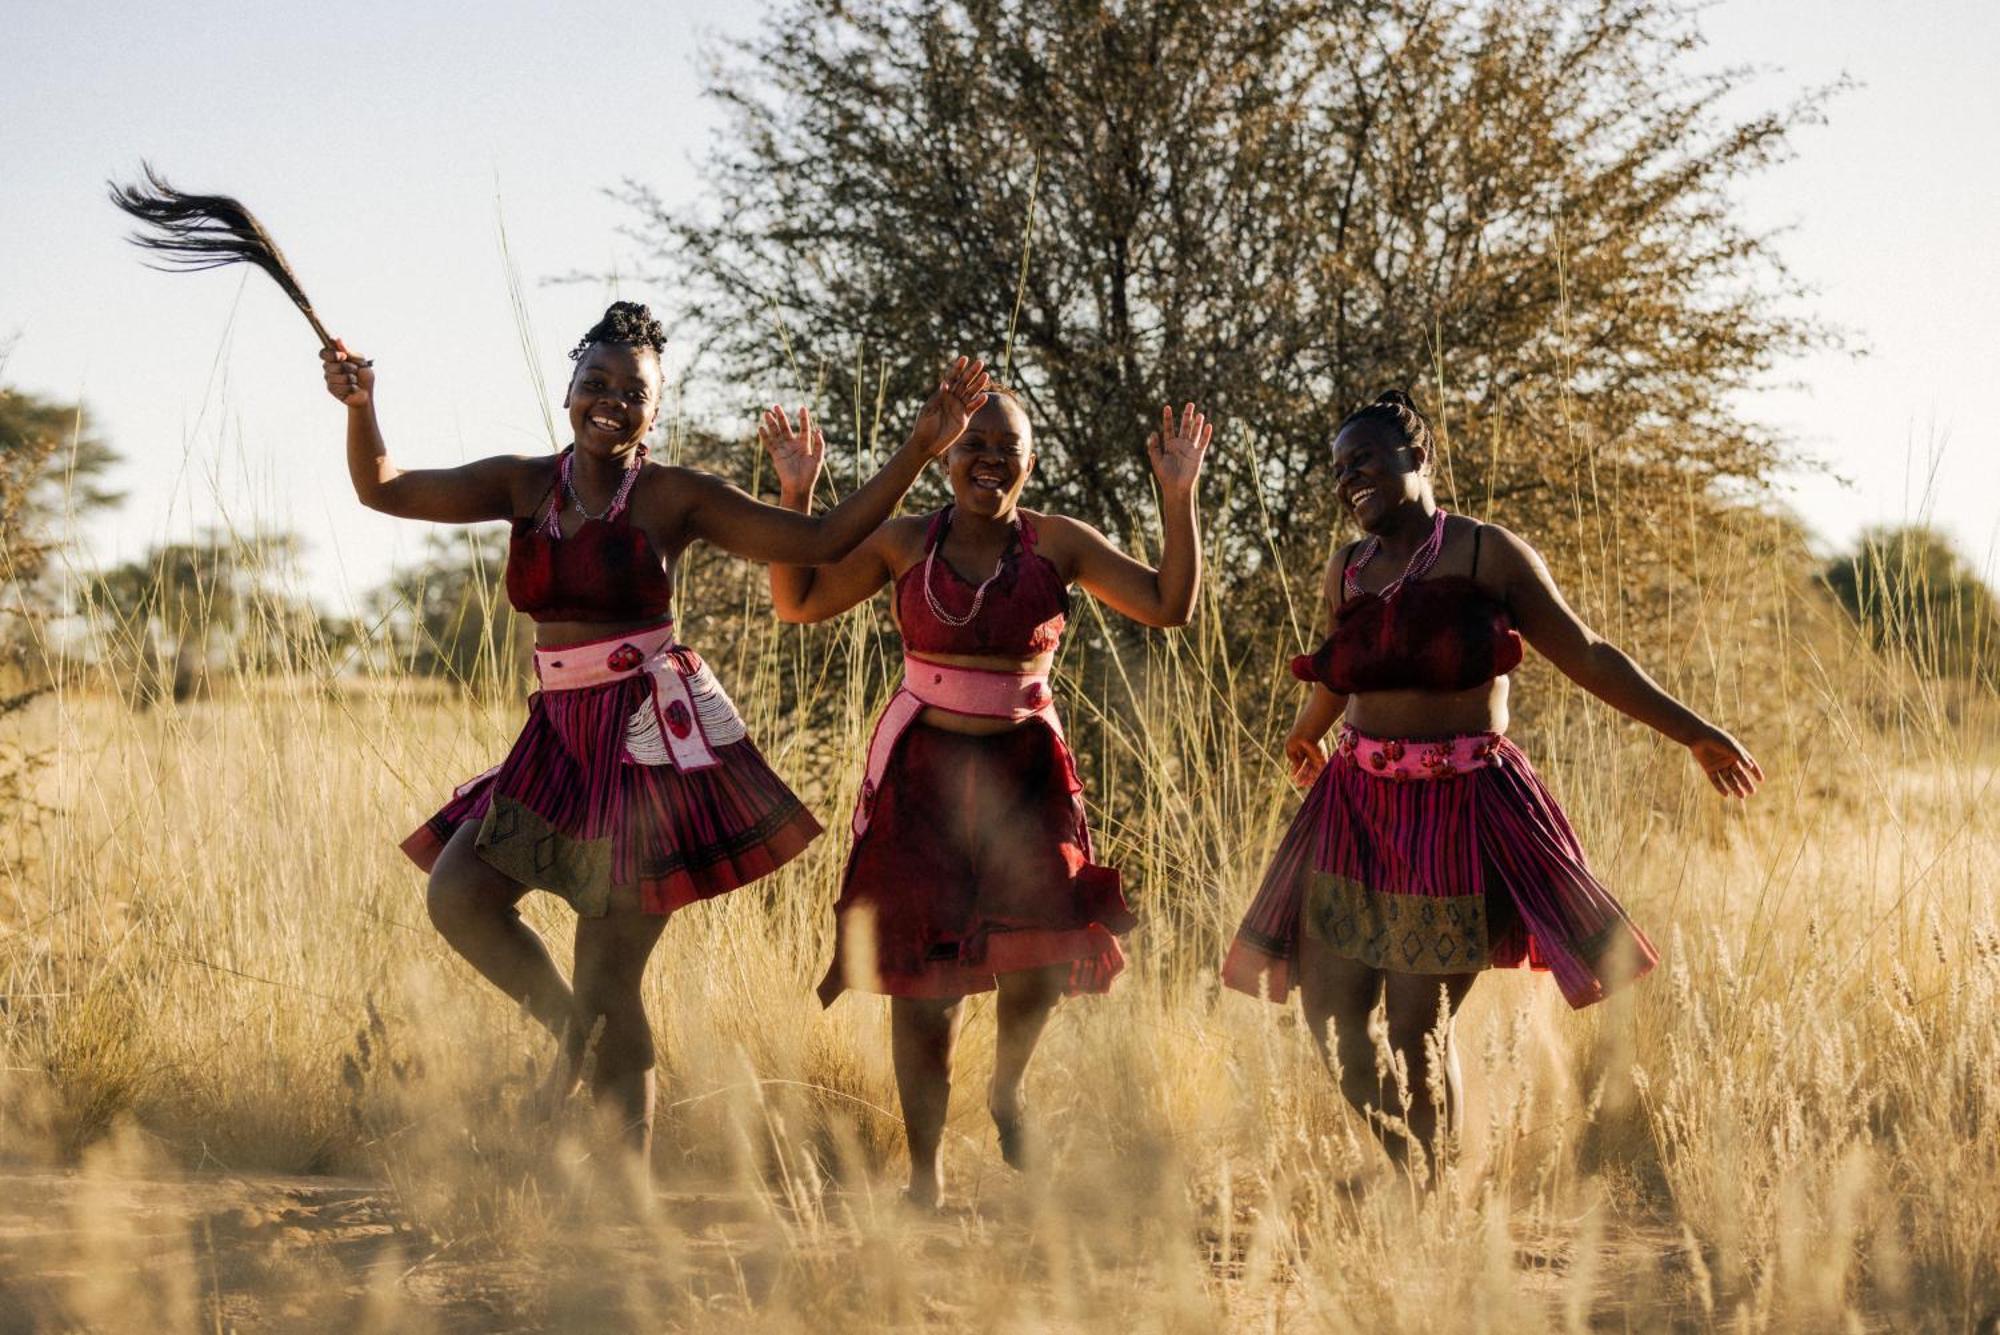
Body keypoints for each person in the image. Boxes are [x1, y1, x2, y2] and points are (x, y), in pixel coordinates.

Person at [320, 301, 994, 1157]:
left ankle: (623, 1203)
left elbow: (821, 539)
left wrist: (921, 448)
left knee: (609, 976)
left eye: (632, 391)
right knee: (460, 894)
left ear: (655, 408)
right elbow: (382, 486)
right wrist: (359, 405)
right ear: (567, 390)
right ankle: (575, 1040)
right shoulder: (525, 483)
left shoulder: (675, 496)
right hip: (557, 745)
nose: (611, 400)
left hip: (647, 749)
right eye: (594, 382)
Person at [1222, 390, 1762, 1174]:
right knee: (1333, 1021)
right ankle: (1416, 1167)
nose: (1349, 480)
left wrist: (1694, 732)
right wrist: (1306, 731)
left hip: (1460, 812)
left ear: (1420, 456)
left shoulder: (1486, 553)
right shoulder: (1347, 567)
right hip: (1353, 810)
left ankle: (1433, 1204)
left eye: (1365, 460)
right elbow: (1345, 665)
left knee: (1416, 1031)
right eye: (1339, 469)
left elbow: (1587, 652)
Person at [765, 391, 1213, 1207]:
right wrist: (797, 500)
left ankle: (1007, 1091)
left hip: (1024, 781)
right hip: (921, 784)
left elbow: (1168, 605)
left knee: (1041, 958)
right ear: (945, 458)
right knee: (922, 988)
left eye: (1007, 446)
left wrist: (1177, 500)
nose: (989, 457)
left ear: (1029, 463)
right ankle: (925, 1175)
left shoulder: (1058, 544)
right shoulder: (905, 543)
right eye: (973, 442)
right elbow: (798, 601)